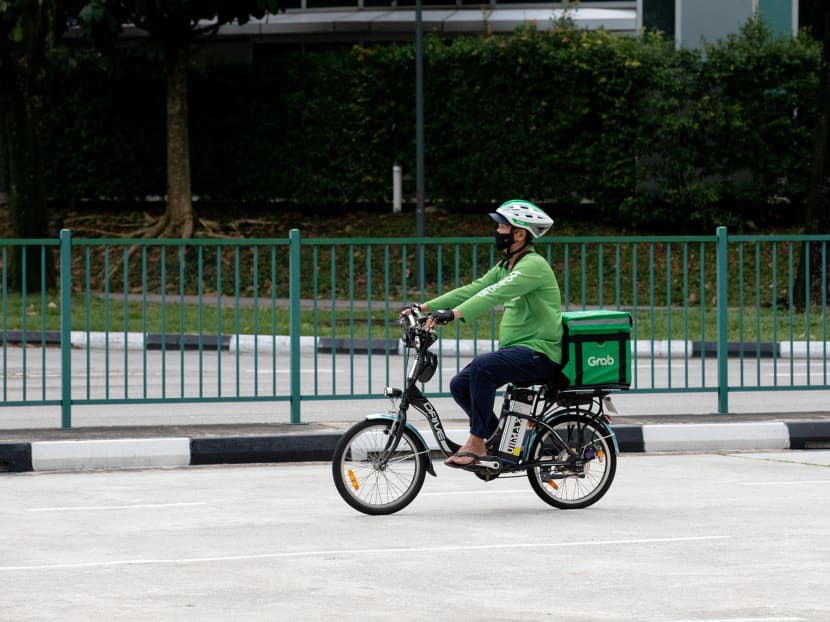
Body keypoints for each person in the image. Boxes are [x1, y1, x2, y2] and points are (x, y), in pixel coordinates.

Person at [401, 199, 563, 469]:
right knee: (460, 385)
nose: (497, 232)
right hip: (520, 351)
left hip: (541, 353)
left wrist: (454, 314)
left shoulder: (532, 266)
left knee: (482, 367)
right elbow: (474, 289)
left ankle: (476, 441)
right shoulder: (506, 266)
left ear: (520, 233)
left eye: (501, 227)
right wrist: (424, 307)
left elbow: (493, 294)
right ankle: (500, 441)